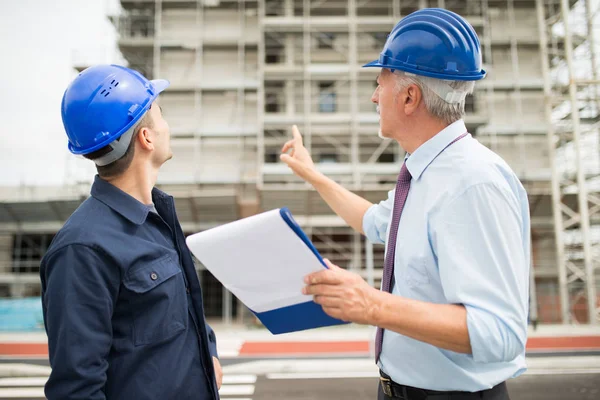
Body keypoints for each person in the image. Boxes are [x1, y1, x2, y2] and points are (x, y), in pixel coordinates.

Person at [280, 8, 529, 400]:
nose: (374, 96)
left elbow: (500, 332)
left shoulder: (472, 183)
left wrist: (371, 304)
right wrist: (312, 174)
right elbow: (373, 221)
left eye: (381, 82)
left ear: (410, 96)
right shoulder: (426, 174)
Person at [40, 65, 222, 400]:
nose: (168, 126)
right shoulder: (82, 249)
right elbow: (76, 389)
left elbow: (176, 315)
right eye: (160, 114)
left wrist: (206, 353)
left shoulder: (158, 220)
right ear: (146, 137)